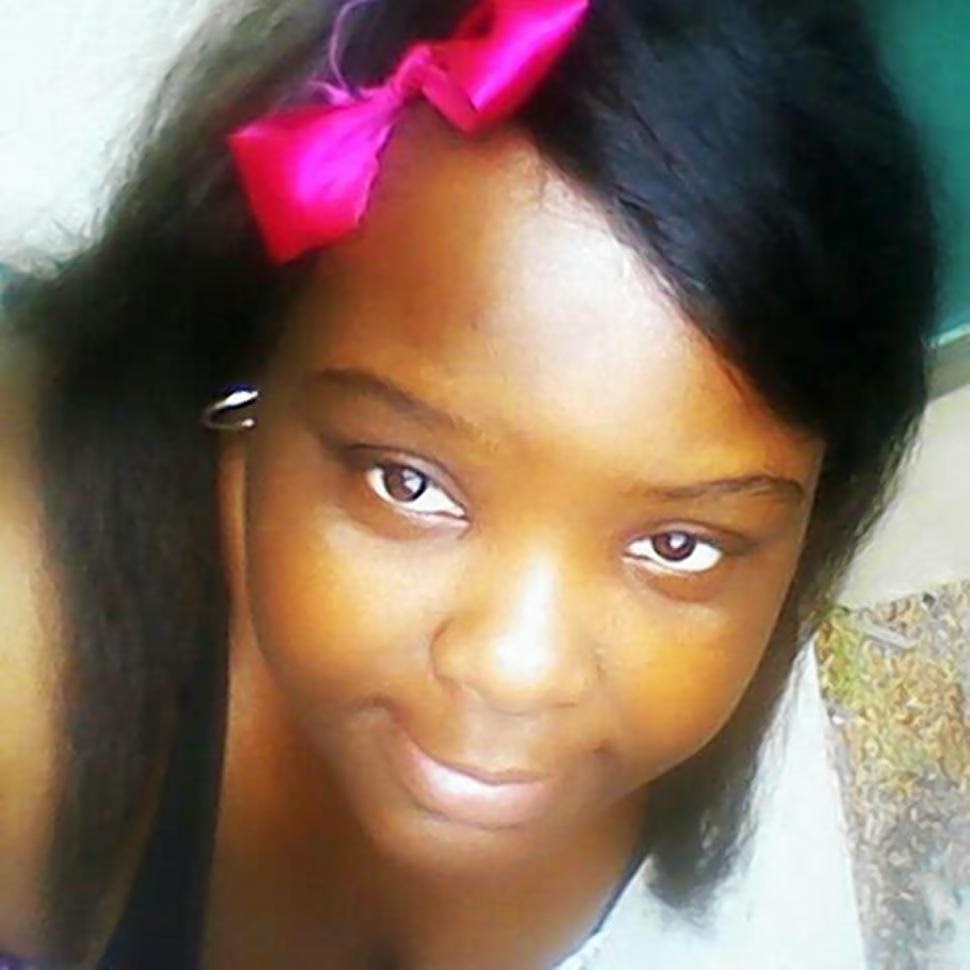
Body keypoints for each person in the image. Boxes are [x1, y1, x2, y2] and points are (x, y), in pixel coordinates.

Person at [0, 0, 937, 966]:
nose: (517, 670)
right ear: (258, 364)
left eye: (676, 545)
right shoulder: (25, 659)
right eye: (409, 483)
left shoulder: (692, 694)